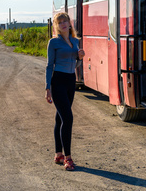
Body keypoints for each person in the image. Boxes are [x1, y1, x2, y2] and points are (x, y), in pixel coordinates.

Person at [45, 12, 85, 171]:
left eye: (65, 21)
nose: (62, 24)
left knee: (60, 119)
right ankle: (67, 158)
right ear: (57, 26)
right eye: (59, 22)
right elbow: (49, 66)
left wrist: (80, 59)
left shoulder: (75, 41)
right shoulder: (53, 42)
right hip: (58, 82)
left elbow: (74, 66)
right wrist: (47, 87)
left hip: (70, 81)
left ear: (69, 23)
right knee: (67, 118)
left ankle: (58, 154)